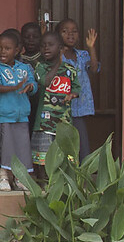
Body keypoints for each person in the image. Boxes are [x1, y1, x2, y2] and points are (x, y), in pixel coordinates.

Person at [0, 30, 37, 191]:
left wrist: (30, 87)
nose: (2, 52)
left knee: (21, 148)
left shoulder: (25, 68)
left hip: (21, 116)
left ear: (17, 50)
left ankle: (19, 178)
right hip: (4, 116)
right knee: (5, 148)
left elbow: (33, 85)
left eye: (7, 48)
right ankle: (3, 177)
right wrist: (14, 87)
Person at [32, 31, 79, 177]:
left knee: (65, 156)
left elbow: (76, 88)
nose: (46, 48)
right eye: (43, 45)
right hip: (44, 122)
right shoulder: (40, 67)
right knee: (44, 156)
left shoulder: (70, 70)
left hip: (64, 121)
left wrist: (72, 95)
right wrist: (59, 62)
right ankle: (44, 184)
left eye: (50, 45)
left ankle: (62, 183)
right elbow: (45, 81)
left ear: (60, 48)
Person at [57, 18, 99, 159]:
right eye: (65, 31)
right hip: (61, 108)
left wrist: (91, 47)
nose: (70, 34)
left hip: (79, 107)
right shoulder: (56, 55)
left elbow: (94, 68)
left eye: (74, 31)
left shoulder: (82, 55)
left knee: (82, 145)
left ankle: (82, 169)